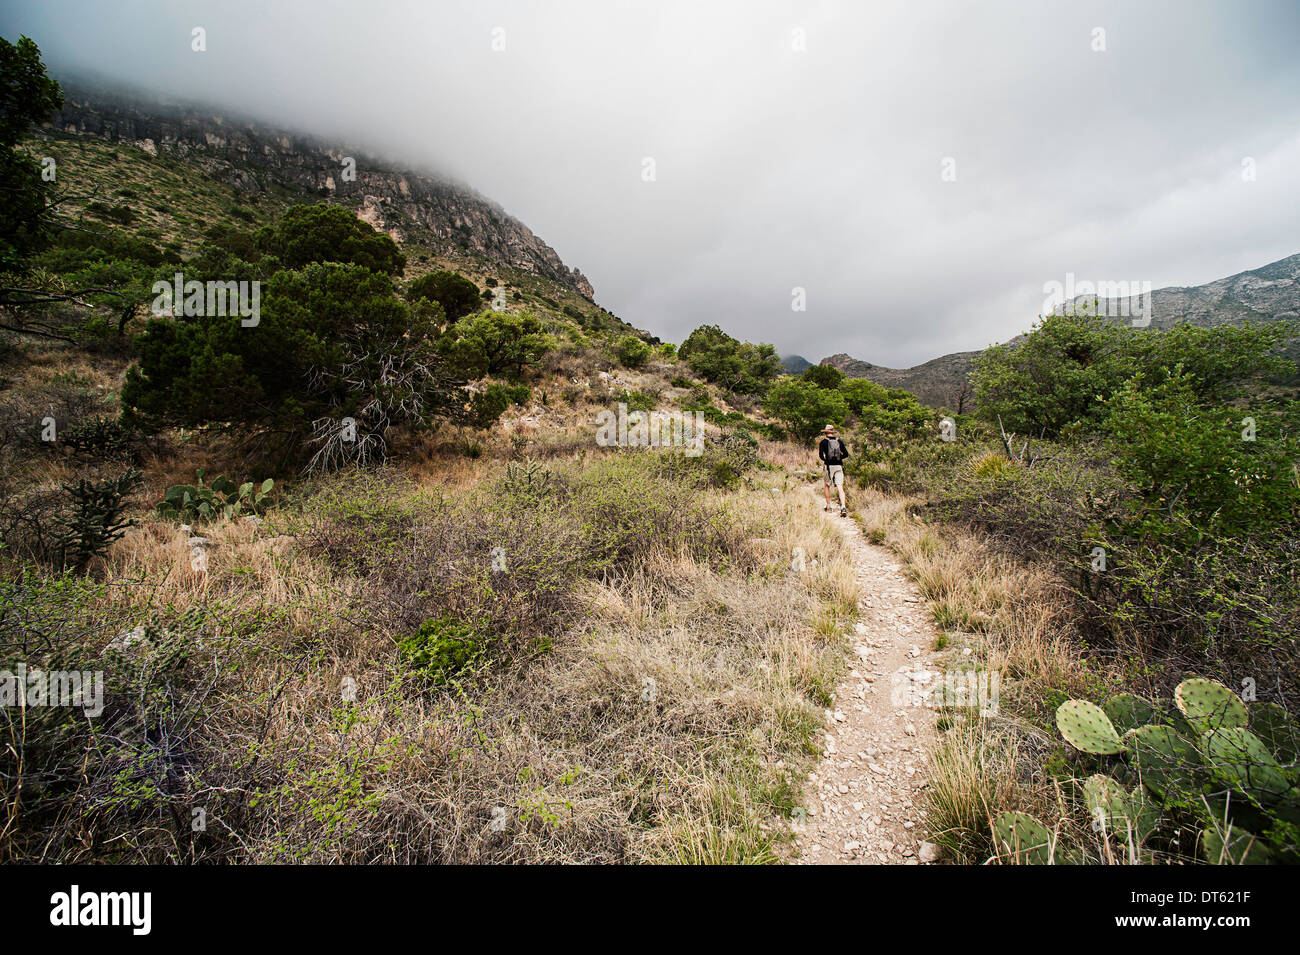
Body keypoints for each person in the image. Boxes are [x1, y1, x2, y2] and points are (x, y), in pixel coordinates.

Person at [818, 424, 849, 517]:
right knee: (840, 486)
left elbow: (820, 455)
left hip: (829, 466)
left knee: (827, 485)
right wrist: (839, 459)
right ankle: (843, 507)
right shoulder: (839, 441)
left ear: (826, 432)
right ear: (832, 432)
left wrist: (826, 460)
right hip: (839, 466)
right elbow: (846, 454)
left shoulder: (823, 442)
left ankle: (828, 505)